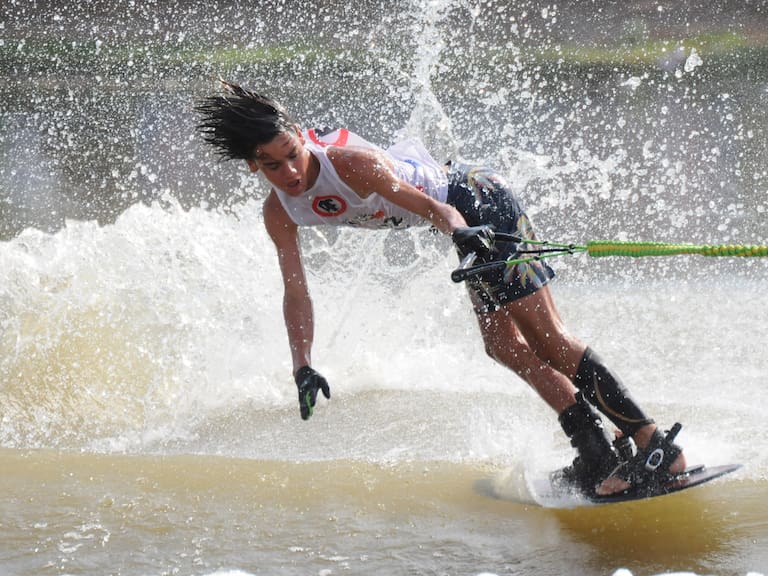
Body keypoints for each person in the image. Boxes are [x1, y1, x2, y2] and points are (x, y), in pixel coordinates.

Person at [195, 80, 686, 498]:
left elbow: (435, 209)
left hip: (479, 204)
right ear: (252, 167)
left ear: (302, 140)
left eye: (293, 155)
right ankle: (595, 452)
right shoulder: (279, 213)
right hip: (465, 228)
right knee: (502, 346)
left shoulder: (352, 165)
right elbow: (295, 291)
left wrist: (460, 231)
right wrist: (301, 362)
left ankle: (653, 444)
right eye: (274, 165)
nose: (292, 173)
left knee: (547, 339)